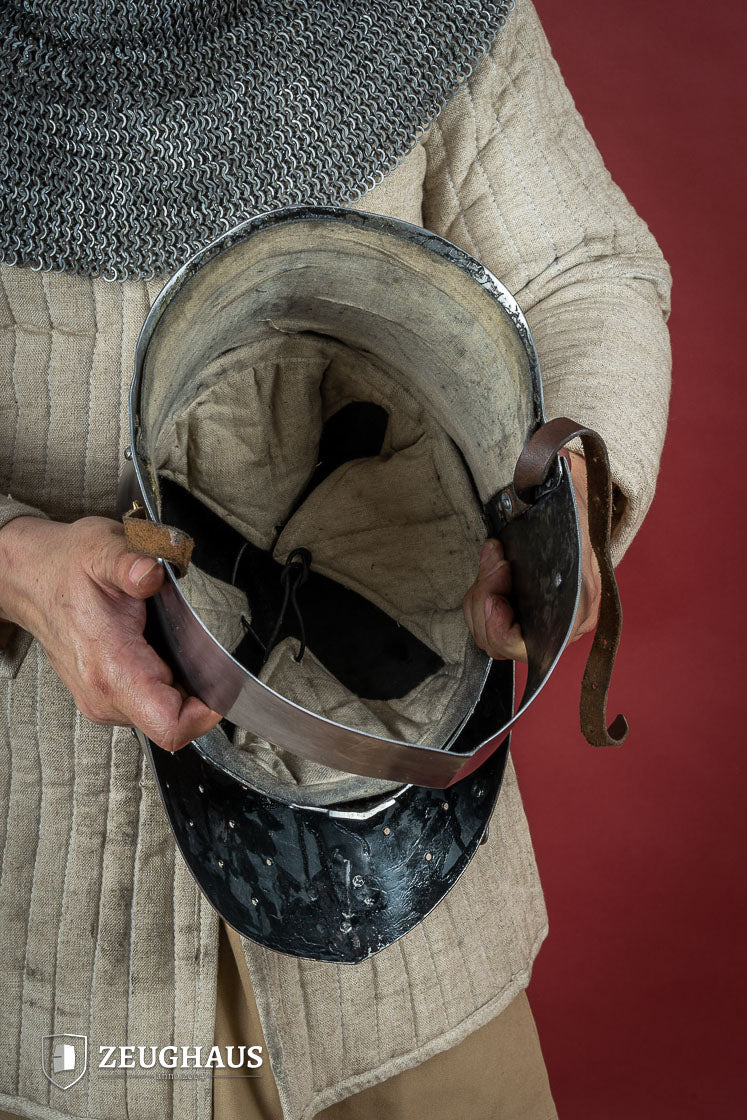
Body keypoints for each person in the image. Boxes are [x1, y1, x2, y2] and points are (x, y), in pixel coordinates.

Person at [0, 2, 671, 1118]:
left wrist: (563, 519)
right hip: (54, 958)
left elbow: (579, 270)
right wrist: (20, 568)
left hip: (403, 901)